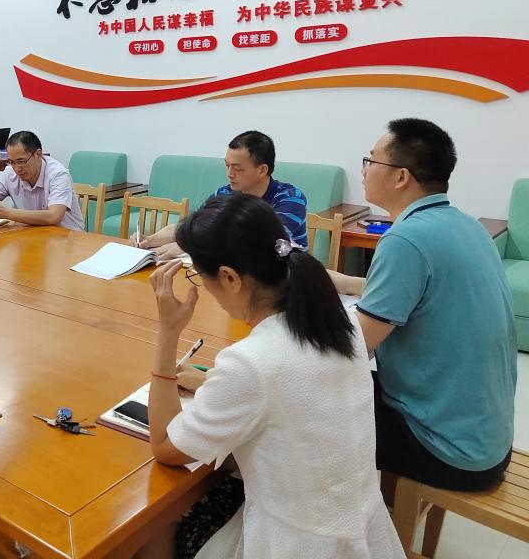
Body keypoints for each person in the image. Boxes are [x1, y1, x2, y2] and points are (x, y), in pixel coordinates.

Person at [147, 193, 404, 559]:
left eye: (199, 276)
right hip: (360, 533)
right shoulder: (341, 324)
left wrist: (168, 332)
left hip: (296, 545)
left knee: (152, 528)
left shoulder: (250, 362)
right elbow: (290, 395)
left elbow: (165, 447)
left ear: (230, 278)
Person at [329, 118, 516, 491]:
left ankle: (332, 516)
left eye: (371, 160)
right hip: (488, 440)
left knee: (304, 402)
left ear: (401, 177)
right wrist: (346, 283)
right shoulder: (467, 226)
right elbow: (424, 293)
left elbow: (353, 349)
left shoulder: (405, 239)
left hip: (444, 448)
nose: (364, 170)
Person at [138, 131, 307, 259]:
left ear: (262, 170)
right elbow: (194, 226)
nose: (229, 174)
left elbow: (263, 243)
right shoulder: (224, 193)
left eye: (237, 168)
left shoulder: (290, 198)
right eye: (227, 166)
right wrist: (149, 241)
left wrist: (190, 246)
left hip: (282, 280)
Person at [0, 130, 84, 230]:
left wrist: (7, 213)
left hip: (68, 237)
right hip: (32, 235)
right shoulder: (10, 172)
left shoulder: (58, 174)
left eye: (21, 161)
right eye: (11, 162)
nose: (17, 168)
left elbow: (54, 216)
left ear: (38, 154)